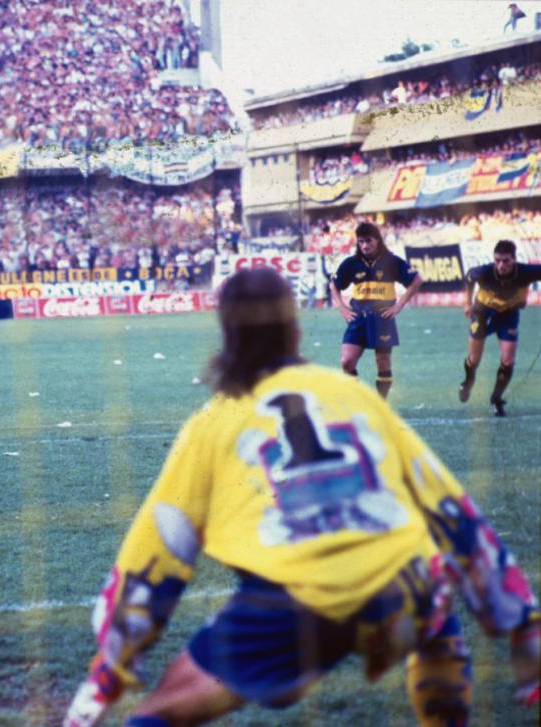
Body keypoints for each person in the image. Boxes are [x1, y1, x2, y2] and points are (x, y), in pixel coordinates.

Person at [63, 268, 539, 727]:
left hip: (294, 601)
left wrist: (113, 663)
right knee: (433, 620)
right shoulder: (353, 396)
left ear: (227, 337)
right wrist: (522, 621)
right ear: (294, 331)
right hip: (400, 576)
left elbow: (160, 545)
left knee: (161, 711)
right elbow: (447, 505)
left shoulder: (210, 426)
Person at [330, 221, 422, 399]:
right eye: (361, 242)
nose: (364, 246)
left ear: (378, 241)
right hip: (358, 318)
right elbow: (334, 285)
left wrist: (399, 305)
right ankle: (357, 402)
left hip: (382, 319)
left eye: (368, 241)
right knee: (347, 362)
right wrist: (342, 308)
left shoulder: (391, 261)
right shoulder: (351, 263)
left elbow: (416, 280)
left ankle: (381, 404)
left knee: (383, 363)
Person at [459, 239, 541, 417]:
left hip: (509, 314)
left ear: (514, 259)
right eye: (497, 260)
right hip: (483, 313)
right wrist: (467, 304)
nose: (500, 265)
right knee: (474, 359)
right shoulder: (485, 272)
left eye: (505, 261)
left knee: (508, 360)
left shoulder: (526, 272)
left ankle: (496, 399)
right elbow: (469, 278)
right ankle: (468, 380)